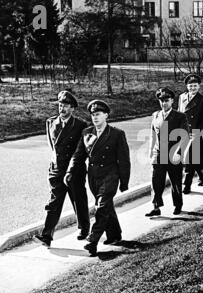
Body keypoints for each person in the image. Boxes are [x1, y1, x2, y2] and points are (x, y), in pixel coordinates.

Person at [65, 100, 131, 256]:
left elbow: (124, 160)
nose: (95, 118)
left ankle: (92, 241)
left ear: (106, 115)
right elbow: (78, 155)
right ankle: (114, 235)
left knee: (101, 207)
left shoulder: (116, 134)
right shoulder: (87, 133)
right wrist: (70, 171)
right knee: (106, 206)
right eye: (93, 115)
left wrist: (124, 181)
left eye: (98, 114)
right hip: (94, 177)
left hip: (110, 175)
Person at [35, 91, 89, 248]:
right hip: (57, 170)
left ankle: (84, 229)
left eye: (65, 106)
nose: (62, 109)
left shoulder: (80, 125)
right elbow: (53, 147)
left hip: (74, 171)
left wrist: (71, 169)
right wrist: (55, 163)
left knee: (78, 200)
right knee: (54, 203)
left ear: (72, 108)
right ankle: (46, 236)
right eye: (60, 105)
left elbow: (81, 151)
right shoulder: (50, 122)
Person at [145, 88, 190, 217]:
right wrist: (151, 152)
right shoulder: (156, 115)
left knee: (175, 181)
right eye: (161, 101)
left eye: (166, 100)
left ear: (172, 101)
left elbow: (184, 136)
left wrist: (178, 152)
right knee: (156, 181)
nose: (164, 103)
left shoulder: (180, 116)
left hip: (173, 154)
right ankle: (156, 206)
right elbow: (153, 135)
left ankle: (178, 205)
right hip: (159, 154)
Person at [178, 74, 203, 194]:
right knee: (191, 159)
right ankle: (201, 174)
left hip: (195, 133)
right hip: (182, 132)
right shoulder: (182, 97)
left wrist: (199, 132)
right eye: (190, 86)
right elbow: (179, 114)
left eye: (195, 86)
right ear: (187, 86)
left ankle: (187, 185)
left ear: (199, 86)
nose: (192, 88)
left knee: (189, 160)